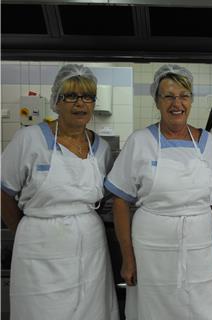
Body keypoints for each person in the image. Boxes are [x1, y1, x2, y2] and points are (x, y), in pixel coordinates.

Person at [104, 64, 212, 320]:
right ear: (157, 101)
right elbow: (120, 201)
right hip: (151, 253)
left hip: (200, 250)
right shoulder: (140, 141)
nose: (177, 103)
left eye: (184, 96)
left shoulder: (207, 143)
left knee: (200, 309)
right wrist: (128, 257)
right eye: (169, 96)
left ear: (191, 101)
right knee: (152, 310)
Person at [1, 64, 119, 320]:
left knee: (92, 311)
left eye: (87, 96)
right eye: (71, 96)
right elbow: (3, 192)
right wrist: (26, 230)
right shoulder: (28, 140)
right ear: (56, 100)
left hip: (89, 248)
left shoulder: (101, 148)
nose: (80, 104)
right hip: (39, 248)